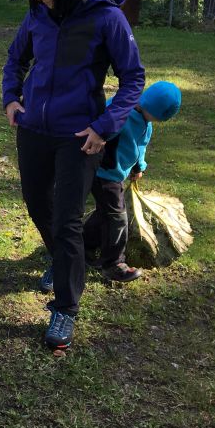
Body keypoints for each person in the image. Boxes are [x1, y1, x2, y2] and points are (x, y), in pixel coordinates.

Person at [2, 0, 145, 351]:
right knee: (36, 201)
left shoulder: (106, 18)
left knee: (67, 218)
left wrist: (104, 127)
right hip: (33, 130)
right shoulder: (37, 16)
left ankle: (65, 307)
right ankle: (62, 259)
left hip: (80, 137)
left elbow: (133, 78)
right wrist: (11, 98)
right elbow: (15, 59)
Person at [83, 80, 182, 283]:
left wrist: (138, 166)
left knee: (106, 212)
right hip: (104, 173)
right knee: (118, 217)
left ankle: (83, 243)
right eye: (156, 117)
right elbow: (96, 131)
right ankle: (113, 263)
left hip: (116, 174)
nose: (154, 121)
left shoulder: (146, 121)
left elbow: (140, 145)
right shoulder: (119, 113)